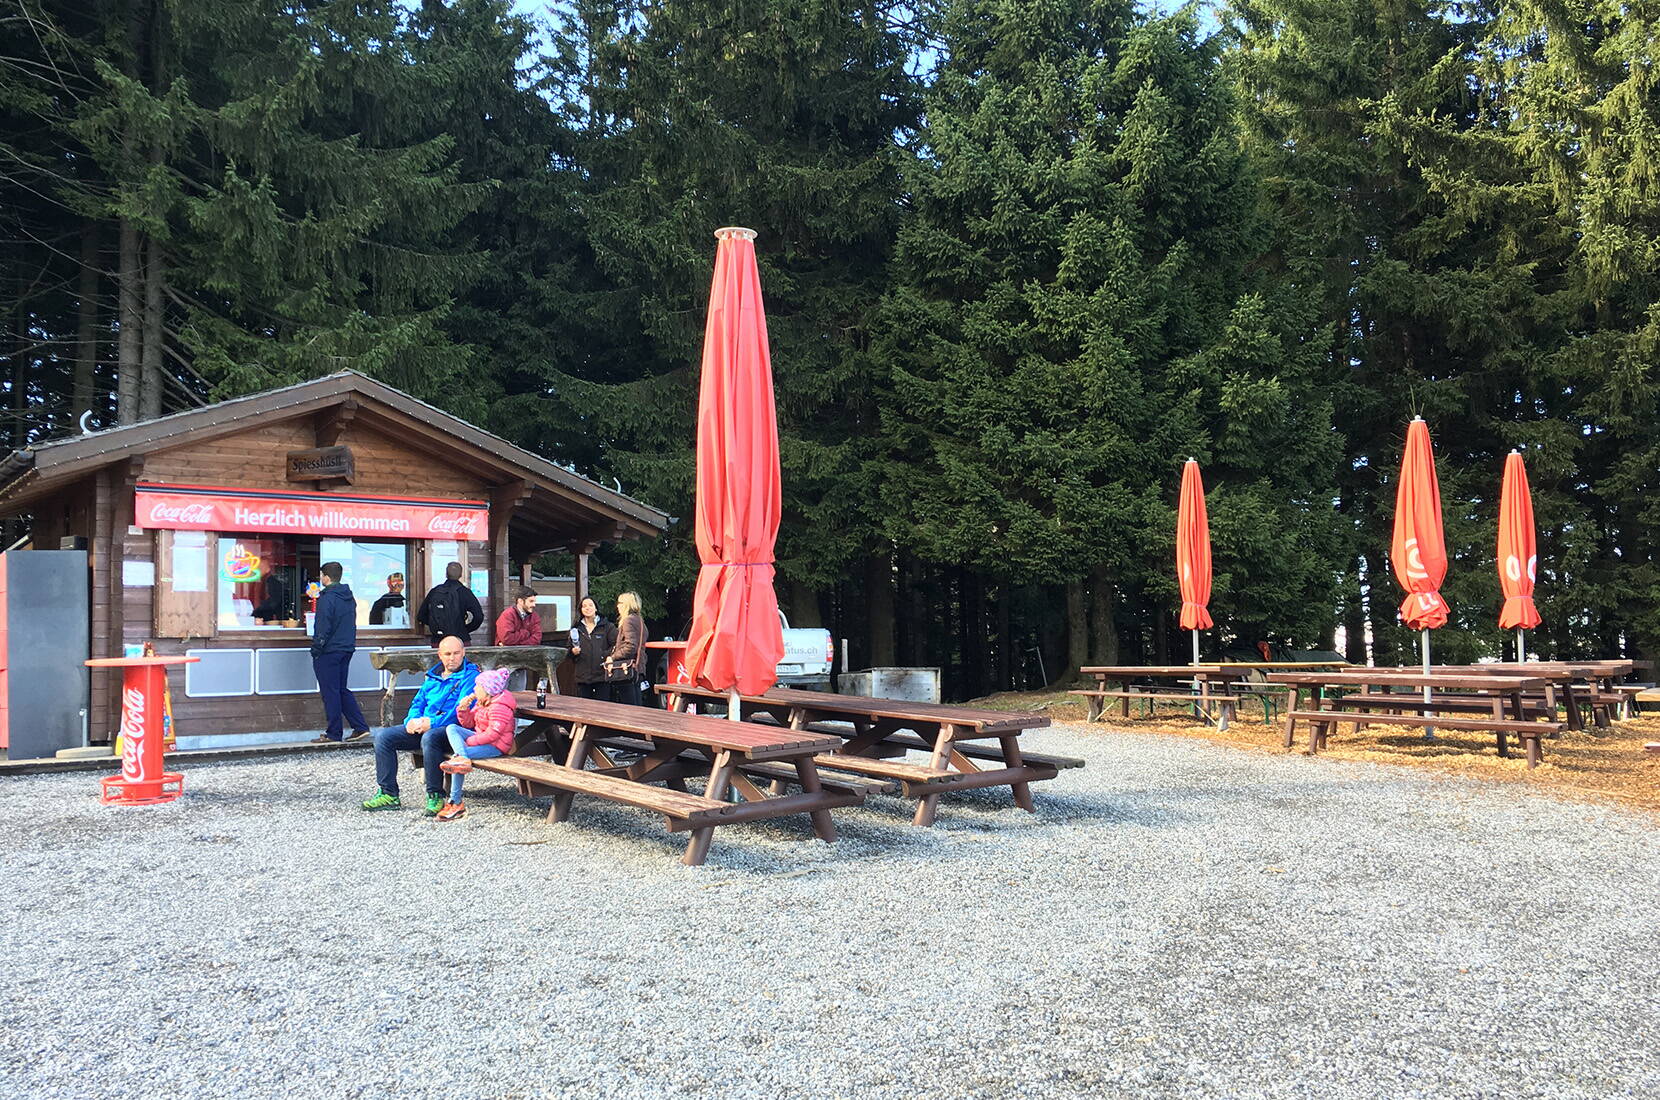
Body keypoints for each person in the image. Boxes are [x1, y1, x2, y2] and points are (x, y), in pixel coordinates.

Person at [360, 636, 480, 815]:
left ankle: (435, 795)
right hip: (425, 726)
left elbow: (461, 712)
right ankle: (388, 794)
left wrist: (432, 723)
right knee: (383, 737)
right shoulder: (432, 676)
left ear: (463, 653)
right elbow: (418, 703)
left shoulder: (471, 676)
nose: (452, 658)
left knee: (430, 737)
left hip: (454, 731)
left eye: (456, 653)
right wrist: (411, 722)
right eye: (447, 654)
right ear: (440, 655)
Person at [434, 667, 517, 821]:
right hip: (481, 738)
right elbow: (468, 724)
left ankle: (455, 802)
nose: (474, 689)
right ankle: (461, 757)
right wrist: (463, 709)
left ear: (487, 690)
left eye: (478, 686)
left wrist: (470, 742)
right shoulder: (482, 703)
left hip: (496, 746)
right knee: (452, 729)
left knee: (458, 758)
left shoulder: (500, 707)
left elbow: (494, 734)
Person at [309, 562, 370, 744]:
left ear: (326, 577)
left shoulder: (327, 597)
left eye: (321, 576)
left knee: (330, 692)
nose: (321, 579)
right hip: (346, 647)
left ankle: (334, 733)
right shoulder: (348, 597)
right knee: (341, 689)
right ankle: (360, 727)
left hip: (329, 650)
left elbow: (323, 626)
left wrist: (317, 648)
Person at [416, 562, 483, 646]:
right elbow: (479, 617)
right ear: (461, 575)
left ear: (446, 574)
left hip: (438, 641)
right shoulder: (465, 592)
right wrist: (465, 629)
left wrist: (437, 624)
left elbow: (421, 616)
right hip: (460, 639)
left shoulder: (435, 591)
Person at [602, 591, 648, 706]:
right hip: (638, 668)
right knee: (637, 705)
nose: (617, 605)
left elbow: (631, 646)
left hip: (627, 668)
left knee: (628, 708)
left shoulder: (628, 621)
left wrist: (612, 657)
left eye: (620, 602)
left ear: (626, 604)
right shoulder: (640, 621)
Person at [569, 595, 616, 700]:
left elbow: (616, 645)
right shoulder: (576, 628)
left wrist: (604, 656)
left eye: (590, 605)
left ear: (596, 608)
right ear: (580, 610)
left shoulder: (607, 626)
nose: (587, 608)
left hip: (602, 675)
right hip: (582, 677)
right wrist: (573, 652)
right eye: (584, 606)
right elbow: (568, 650)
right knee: (584, 709)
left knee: (602, 708)